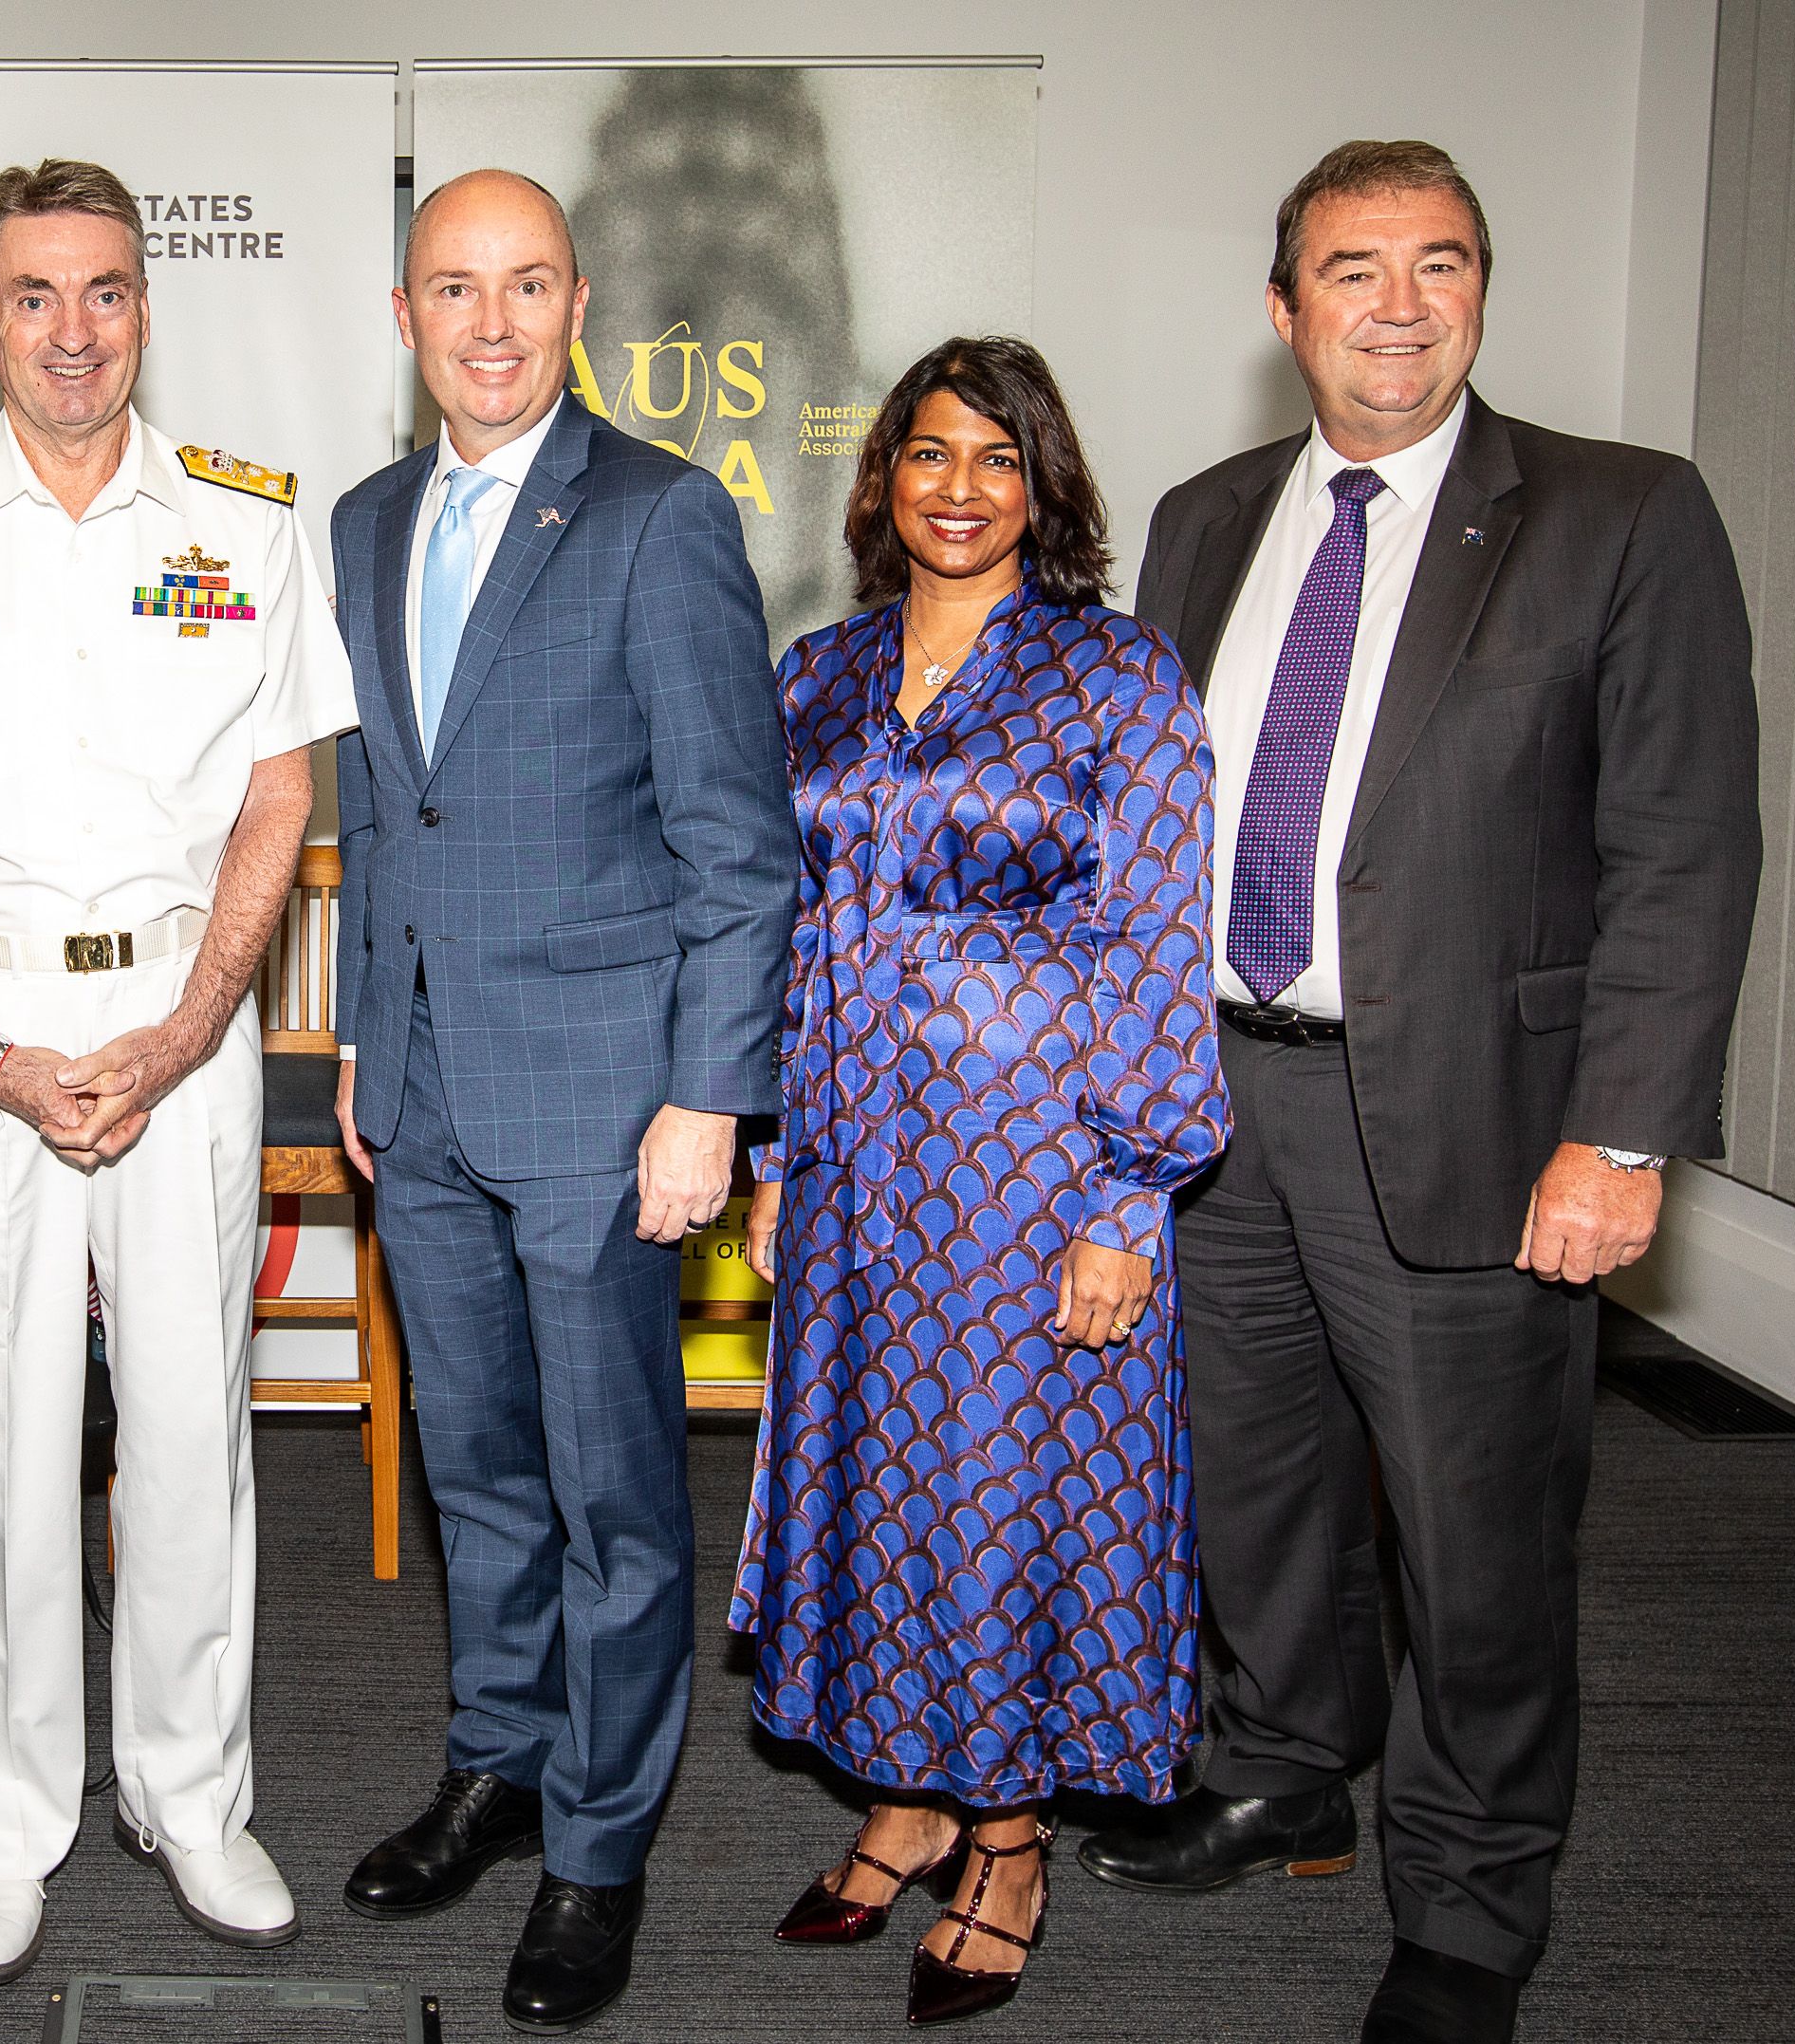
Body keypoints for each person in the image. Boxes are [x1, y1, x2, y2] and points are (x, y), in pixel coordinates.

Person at [1072, 141, 1761, 2044]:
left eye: (1435, 263)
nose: (1395, 303)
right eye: (1349, 269)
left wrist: (1618, 1137)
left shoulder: (1617, 517)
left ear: (1476, 288)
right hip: (1217, 1102)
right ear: (1279, 308)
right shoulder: (1206, 519)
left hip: (1471, 1113)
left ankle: (1467, 1905)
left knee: (1474, 1540)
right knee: (1250, 1486)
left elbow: (1682, 849)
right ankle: (1284, 1754)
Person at [0, 157, 359, 1988]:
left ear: (146, 307)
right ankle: (6, 1817)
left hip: (183, 1042)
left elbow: (282, 791)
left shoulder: (250, 522)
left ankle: (192, 1793)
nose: (73, 331)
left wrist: (191, 1033)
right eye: (35, 294)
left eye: (105, 291)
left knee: (192, 1433)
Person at [330, 169, 799, 2035]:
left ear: (577, 300)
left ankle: (596, 1850)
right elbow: (381, 811)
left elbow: (738, 853)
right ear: (405, 315)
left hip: (610, 1107)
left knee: (613, 1501)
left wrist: (708, 1100)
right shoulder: (365, 521)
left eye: (527, 286)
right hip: (425, 1096)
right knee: (477, 1474)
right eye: (456, 288)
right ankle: (495, 1763)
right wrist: (369, 1030)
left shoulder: (657, 517)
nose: (492, 322)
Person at [731, 337, 1229, 2027]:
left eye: (995, 460)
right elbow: (782, 925)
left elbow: (1161, 934)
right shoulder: (818, 671)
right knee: (880, 1475)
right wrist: (778, 1148)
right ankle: (906, 1790)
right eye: (929, 455)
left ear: (1045, 487)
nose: (959, 487)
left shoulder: (1118, 675)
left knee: (1004, 1489)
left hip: (1034, 1162)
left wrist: (1127, 1192)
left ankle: (1006, 1835)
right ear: (883, 480)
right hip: (859, 1154)